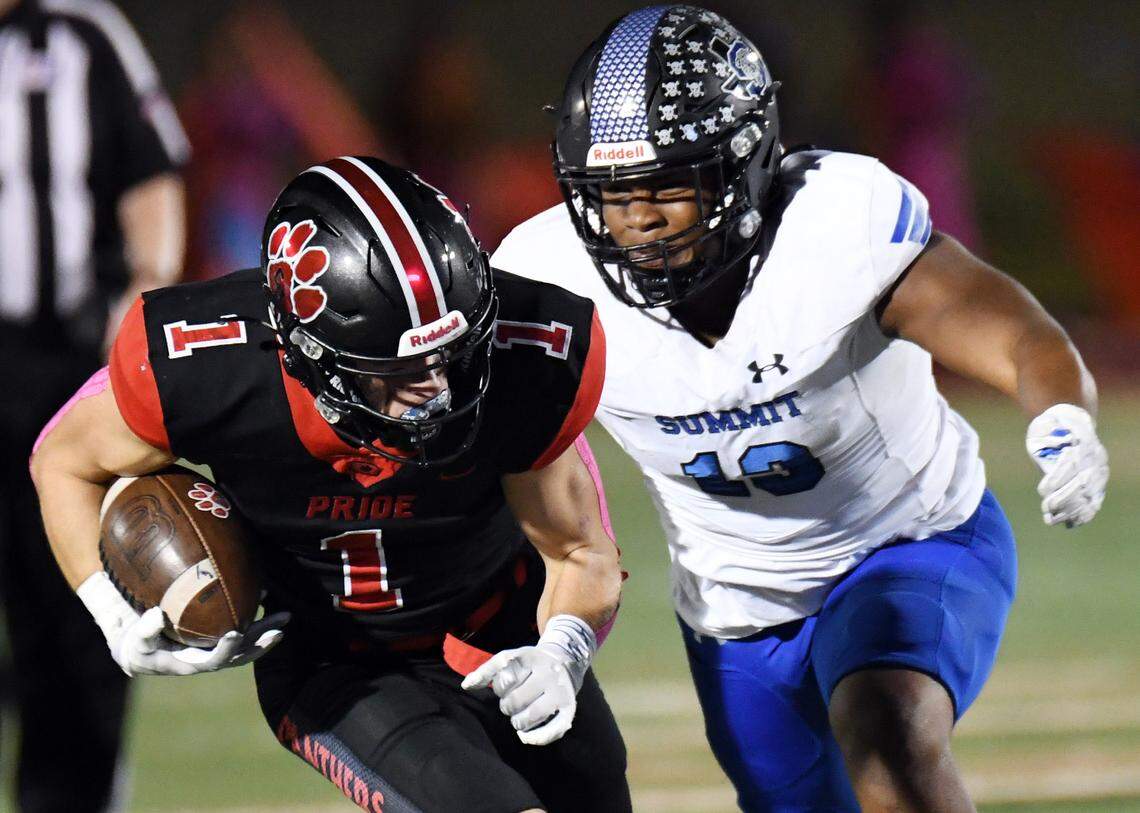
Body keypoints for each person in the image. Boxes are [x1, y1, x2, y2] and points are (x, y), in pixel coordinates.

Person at [492, 6, 1109, 811]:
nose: (637, 217)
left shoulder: (832, 228)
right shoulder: (544, 283)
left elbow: (1016, 333)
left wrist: (1061, 417)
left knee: (888, 730)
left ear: (742, 168)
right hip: (732, 607)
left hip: (906, 540)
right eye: (611, 192)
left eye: (667, 185)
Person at [30, 156, 631, 813]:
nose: (436, 387)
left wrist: (563, 648)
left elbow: (579, 550)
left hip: (503, 629)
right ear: (308, 353)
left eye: (452, 354)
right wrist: (112, 614)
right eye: (399, 369)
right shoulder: (208, 368)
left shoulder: (526, 355)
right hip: (338, 665)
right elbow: (64, 461)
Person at [0, 0, 188, 809]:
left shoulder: (83, 32)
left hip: (60, 361)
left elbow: (151, 170)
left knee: (74, 607)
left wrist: (145, 298)